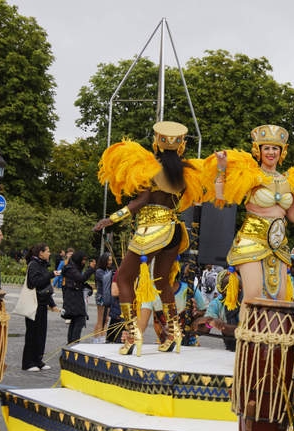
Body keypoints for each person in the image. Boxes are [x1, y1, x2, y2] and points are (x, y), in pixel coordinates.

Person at [94, 121, 208, 355]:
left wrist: (112, 218)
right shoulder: (184, 174)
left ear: (156, 143)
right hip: (175, 230)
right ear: (181, 147)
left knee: (124, 279)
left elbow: (141, 202)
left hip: (152, 230)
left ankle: (132, 335)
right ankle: (175, 332)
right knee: (162, 282)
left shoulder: (151, 168)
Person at [209, 124, 294, 317]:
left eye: (275, 148)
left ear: (281, 151)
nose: (271, 152)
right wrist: (222, 169)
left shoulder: (289, 181)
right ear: (259, 150)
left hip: (278, 245)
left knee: (279, 299)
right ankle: (245, 345)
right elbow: (222, 196)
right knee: (253, 296)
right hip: (251, 240)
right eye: (267, 148)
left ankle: (270, 346)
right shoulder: (251, 176)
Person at [21, 243, 59, 371]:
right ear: (40, 253)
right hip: (34, 303)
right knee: (32, 333)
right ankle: (28, 362)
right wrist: (50, 275)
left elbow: (46, 288)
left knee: (41, 333)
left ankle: (38, 360)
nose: (49, 253)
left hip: (42, 303)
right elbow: (35, 282)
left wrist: (52, 304)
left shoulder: (42, 265)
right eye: (47, 251)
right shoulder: (33, 265)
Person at [194, 269, 241, 351]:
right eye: (229, 288)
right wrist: (208, 323)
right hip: (230, 346)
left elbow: (246, 331)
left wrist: (223, 326)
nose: (233, 292)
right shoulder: (217, 303)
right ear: (221, 290)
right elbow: (203, 330)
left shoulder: (246, 301)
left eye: (235, 287)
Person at [61, 251, 95, 344]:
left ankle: (71, 344)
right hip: (73, 299)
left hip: (75, 298)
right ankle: (74, 344)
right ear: (78, 259)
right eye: (83, 260)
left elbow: (80, 281)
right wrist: (90, 268)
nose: (84, 262)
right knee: (79, 319)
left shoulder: (73, 267)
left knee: (75, 320)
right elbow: (81, 278)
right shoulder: (70, 268)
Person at [91, 252, 113, 344]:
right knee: (100, 319)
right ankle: (96, 339)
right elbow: (106, 280)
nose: (110, 262)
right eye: (108, 260)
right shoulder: (99, 271)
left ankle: (102, 337)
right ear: (104, 261)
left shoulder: (108, 270)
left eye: (111, 260)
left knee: (106, 319)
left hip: (108, 296)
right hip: (101, 297)